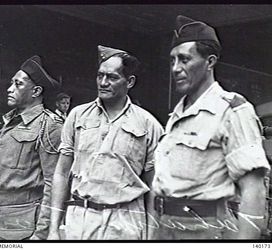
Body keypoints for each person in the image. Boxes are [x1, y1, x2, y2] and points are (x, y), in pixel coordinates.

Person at [151, 15, 270, 239]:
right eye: (172, 60)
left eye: (184, 59)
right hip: (165, 228)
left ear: (210, 62)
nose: (175, 68)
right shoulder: (176, 115)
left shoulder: (232, 110)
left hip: (206, 230)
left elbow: (253, 190)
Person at [47, 45, 164, 240]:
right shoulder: (77, 116)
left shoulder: (148, 124)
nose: (103, 82)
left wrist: (151, 237)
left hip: (125, 223)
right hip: (80, 221)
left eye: (112, 77)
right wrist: (53, 229)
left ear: (130, 81)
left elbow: (155, 188)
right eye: (100, 76)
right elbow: (61, 173)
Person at [0, 55, 62, 240]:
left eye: (18, 84)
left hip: (26, 226)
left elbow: (54, 184)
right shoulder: (11, 121)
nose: (9, 89)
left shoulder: (49, 125)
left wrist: (41, 234)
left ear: (36, 91)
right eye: (11, 83)